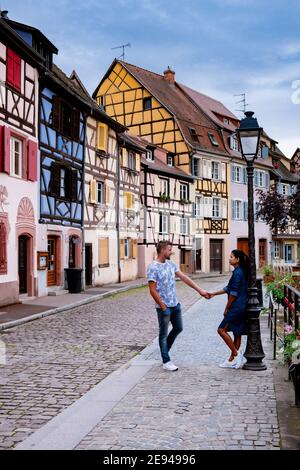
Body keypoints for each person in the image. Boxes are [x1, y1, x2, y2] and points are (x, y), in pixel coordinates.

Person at [147, 240, 210, 371]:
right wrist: (163, 306)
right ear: (163, 250)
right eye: (170, 249)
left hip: (175, 304)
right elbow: (152, 290)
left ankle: (165, 351)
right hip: (163, 307)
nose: (171, 252)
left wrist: (200, 291)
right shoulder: (153, 267)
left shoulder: (171, 264)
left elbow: (185, 278)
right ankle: (166, 360)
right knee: (163, 334)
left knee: (178, 328)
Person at [208, 249, 249, 369]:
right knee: (237, 333)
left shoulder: (237, 273)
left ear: (237, 259)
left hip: (237, 306)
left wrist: (227, 307)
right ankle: (232, 360)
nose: (229, 258)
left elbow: (233, 293)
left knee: (221, 329)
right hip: (242, 306)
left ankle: (236, 355)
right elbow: (228, 288)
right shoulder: (240, 271)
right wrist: (213, 293)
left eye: (231, 257)